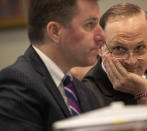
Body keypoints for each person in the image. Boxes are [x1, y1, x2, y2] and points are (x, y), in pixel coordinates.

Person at [0, 0, 105, 131]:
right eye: (90, 25)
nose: (102, 36)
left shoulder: (85, 93)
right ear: (55, 31)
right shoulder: (17, 84)